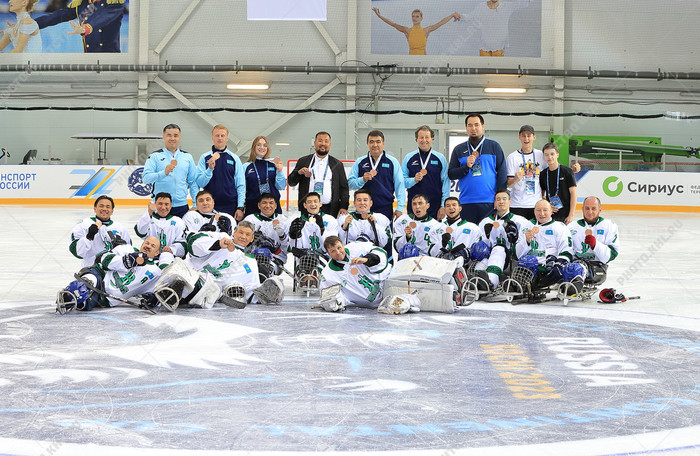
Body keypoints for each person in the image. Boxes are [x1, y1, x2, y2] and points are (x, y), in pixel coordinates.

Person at [56, 236, 173, 313]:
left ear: (157, 253)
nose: (148, 246)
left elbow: (159, 293)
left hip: (105, 299)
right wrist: (125, 261)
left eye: (153, 246)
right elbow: (103, 258)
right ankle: (67, 297)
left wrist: (153, 299)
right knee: (82, 286)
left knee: (82, 305)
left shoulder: (155, 272)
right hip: (100, 276)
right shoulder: (127, 249)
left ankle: (76, 301)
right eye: (147, 243)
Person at [448, 113, 507, 224]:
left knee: (489, 233)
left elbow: (502, 173)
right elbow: (451, 174)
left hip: (489, 202)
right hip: (466, 202)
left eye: (476, 125)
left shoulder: (494, 146)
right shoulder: (459, 149)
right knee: (469, 233)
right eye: (470, 125)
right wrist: (466, 166)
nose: (473, 128)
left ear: (482, 126)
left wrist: (500, 199)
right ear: (466, 127)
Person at [474, 189, 531, 290]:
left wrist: (513, 239)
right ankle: (477, 282)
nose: (501, 201)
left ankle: (491, 282)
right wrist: (487, 239)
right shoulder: (486, 221)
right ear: (494, 203)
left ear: (510, 201)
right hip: (491, 257)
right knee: (481, 264)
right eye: (498, 199)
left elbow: (523, 246)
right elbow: (482, 246)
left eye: (504, 199)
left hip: (511, 259)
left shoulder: (520, 221)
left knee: (499, 248)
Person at [142, 124, 200, 219]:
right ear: (163, 136)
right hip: (160, 206)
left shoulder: (187, 157)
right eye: (169, 135)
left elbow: (193, 182)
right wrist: (163, 173)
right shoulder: (155, 156)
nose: (172, 138)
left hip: (181, 206)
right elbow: (145, 178)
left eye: (175, 135)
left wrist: (195, 204)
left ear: (180, 137)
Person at [319, 236, 392, 310]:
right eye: (333, 251)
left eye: (339, 248)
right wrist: (336, 302)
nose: (338, 252)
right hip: (373, 307)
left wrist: (367, 260)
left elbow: (380, 253)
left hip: (387, 284)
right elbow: (326, 297)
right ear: (328, 253)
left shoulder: (357, 247)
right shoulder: (328, 275)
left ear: (343, 245)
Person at [348, 130, 406, 222]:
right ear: (367, 143)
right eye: (371, 142)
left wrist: (400, 207)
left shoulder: (392, 162)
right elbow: (350, 184)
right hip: (363, 208)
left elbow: (400, 185)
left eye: (378, 141)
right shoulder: (360, 162)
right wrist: (362, 179)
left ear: (383, 143)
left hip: (385, 208)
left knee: (384, 232)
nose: (375, 145)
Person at [288, 131, 349, 218]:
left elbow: (344, 188)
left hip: (330, 209)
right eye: (320, 140)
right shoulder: (304, 161)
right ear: (315, 143)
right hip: (307, 209)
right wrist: (299, 173)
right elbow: (291, 182)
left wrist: (343, 206)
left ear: (330, 144)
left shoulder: (337, 164)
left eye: (326, 141)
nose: (323, 144)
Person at [515, 199, 574, 288]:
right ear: (534, 211)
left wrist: (558, 266)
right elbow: (517, 254)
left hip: (550, 266)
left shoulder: (560, 227)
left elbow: (566, 251)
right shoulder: (526, 225)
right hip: (529, 266)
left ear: (551, 211)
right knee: (526, 261)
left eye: (545, 210)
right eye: (538, 210)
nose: (542, 214)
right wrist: (526, 241)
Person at [34, 0, 125, 53]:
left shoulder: (114, 3)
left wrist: (85, 28)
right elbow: (57, 16)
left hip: (110, 59)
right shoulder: (82, 4)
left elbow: (102, 18)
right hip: (90, 58)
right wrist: (33, 24)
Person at [196, 125, 246, 221]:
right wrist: (209, 169)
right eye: (217, 135)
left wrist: (240, 207)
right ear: (212, 137)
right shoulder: (204, 157)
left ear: (227, 138)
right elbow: (200, 183)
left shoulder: (234, 158)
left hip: (230, 206)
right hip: (209, 206)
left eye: (222, 136)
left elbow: (241, 185)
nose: (220, 138)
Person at [567, 196, 619, 286]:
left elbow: (611, 255)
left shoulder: (609, 226)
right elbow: (566, 251)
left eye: (594, 209)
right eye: (587, 208)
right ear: (582, 209)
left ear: (600, 210)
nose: (590, 212)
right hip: (575, 265)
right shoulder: (571, 227)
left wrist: (595, 245)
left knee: (578, 269)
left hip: (597, 268)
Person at [69, 195, 131, 269]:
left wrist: (122, 248)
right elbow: (77, 252)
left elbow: (128, 253)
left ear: (112, 211)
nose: (104, 209)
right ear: (95, 208)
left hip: (114, 271)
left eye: (108, 207)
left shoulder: (120, 228)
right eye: (101, 206)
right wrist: (89, 236)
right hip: (91, 269)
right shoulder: (84, 224)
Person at [402, 125, 450, 220]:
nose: (424, 140)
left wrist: (443, 205)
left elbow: (446, 183)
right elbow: (402, 181)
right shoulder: (409, 158)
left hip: (435, 206)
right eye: (421, 137)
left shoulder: (440, 158)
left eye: (427, 137)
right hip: (415, 206)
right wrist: (414, 180)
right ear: (416, 139)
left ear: (432, 139)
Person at [371, 7, 460, 55]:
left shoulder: (426, 30)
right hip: (412, 60)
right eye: (413, 16)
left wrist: (452, 15)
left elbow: (440, 23)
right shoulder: (407, 31)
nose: (415, 18)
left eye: (417, 16)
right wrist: (379, 16)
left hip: (424, 60)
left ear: (421, 18)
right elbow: (392, 24)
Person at [458, 0, 532, 57]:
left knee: (497, 71)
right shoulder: (481, 7)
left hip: (499, 49)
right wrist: (459, 16)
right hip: (484, 49)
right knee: (484, 71)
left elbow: (522, 3)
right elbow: (470, 16)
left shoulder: (507, 7)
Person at [244, 192, 291, 276]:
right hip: (252, 257)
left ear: (276, 205)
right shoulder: (250, 219)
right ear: (259, 205)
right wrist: (251, 241)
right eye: (264, 203)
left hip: (275, 258)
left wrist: (282, 236)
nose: (268, 206)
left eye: (271, 203)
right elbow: (240, 242)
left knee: (263, 270)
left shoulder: (284, 220)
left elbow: (288, 249)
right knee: (247, 271)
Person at [506, 125, 546, 221]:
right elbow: (508, 184)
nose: (526, 138)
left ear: (534, 137)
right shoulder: (512, 157)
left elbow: (551, 172)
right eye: (523, 135)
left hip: (536, 204)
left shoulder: (541, 155)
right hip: (517, 205)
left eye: (529, 135)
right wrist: (515, 179)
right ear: (519, 137)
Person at [243, 135, 286, 218]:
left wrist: (280, 171)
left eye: (265, 145)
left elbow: (281, 186)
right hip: (253, 207)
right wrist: (240, 207)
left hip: (272, 208)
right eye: (259, 144)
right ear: (254, 147)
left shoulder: (273, 165)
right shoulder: (246, 166)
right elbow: (242, 188)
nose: (262, 147)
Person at [134, 192, 187, 258]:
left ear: (170, 206)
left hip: (170, 258)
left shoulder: (178, 221)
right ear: (155, 204)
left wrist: (172, 249)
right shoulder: (149, 219)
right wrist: (149, 212)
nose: (163, 207)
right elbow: (140, 232)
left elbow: (182, 243)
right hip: (149, 257)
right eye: (160, 204)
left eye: (166, 204)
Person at [289, 192, 339, 257]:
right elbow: (294, 249)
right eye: (309, 202)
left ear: (320, 204)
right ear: (305, 205)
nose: (313, 204)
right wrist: (293, 236)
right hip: (304, 259)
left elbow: (332, 244)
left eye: (315, 201)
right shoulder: (298, 221)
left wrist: (322, 228)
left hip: (324, 259)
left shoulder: (330, 219)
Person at [539, 142, 577, 224]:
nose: (549, 157)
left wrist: (571, 215)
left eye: (552, 154)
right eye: (546, 154)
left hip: (566, 215)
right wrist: (547, 205)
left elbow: (573, 193)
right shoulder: (543, 174)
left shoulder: (567, 171)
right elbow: (541, 195)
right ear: (544, 156)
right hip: (550, 215)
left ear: (557, 155)